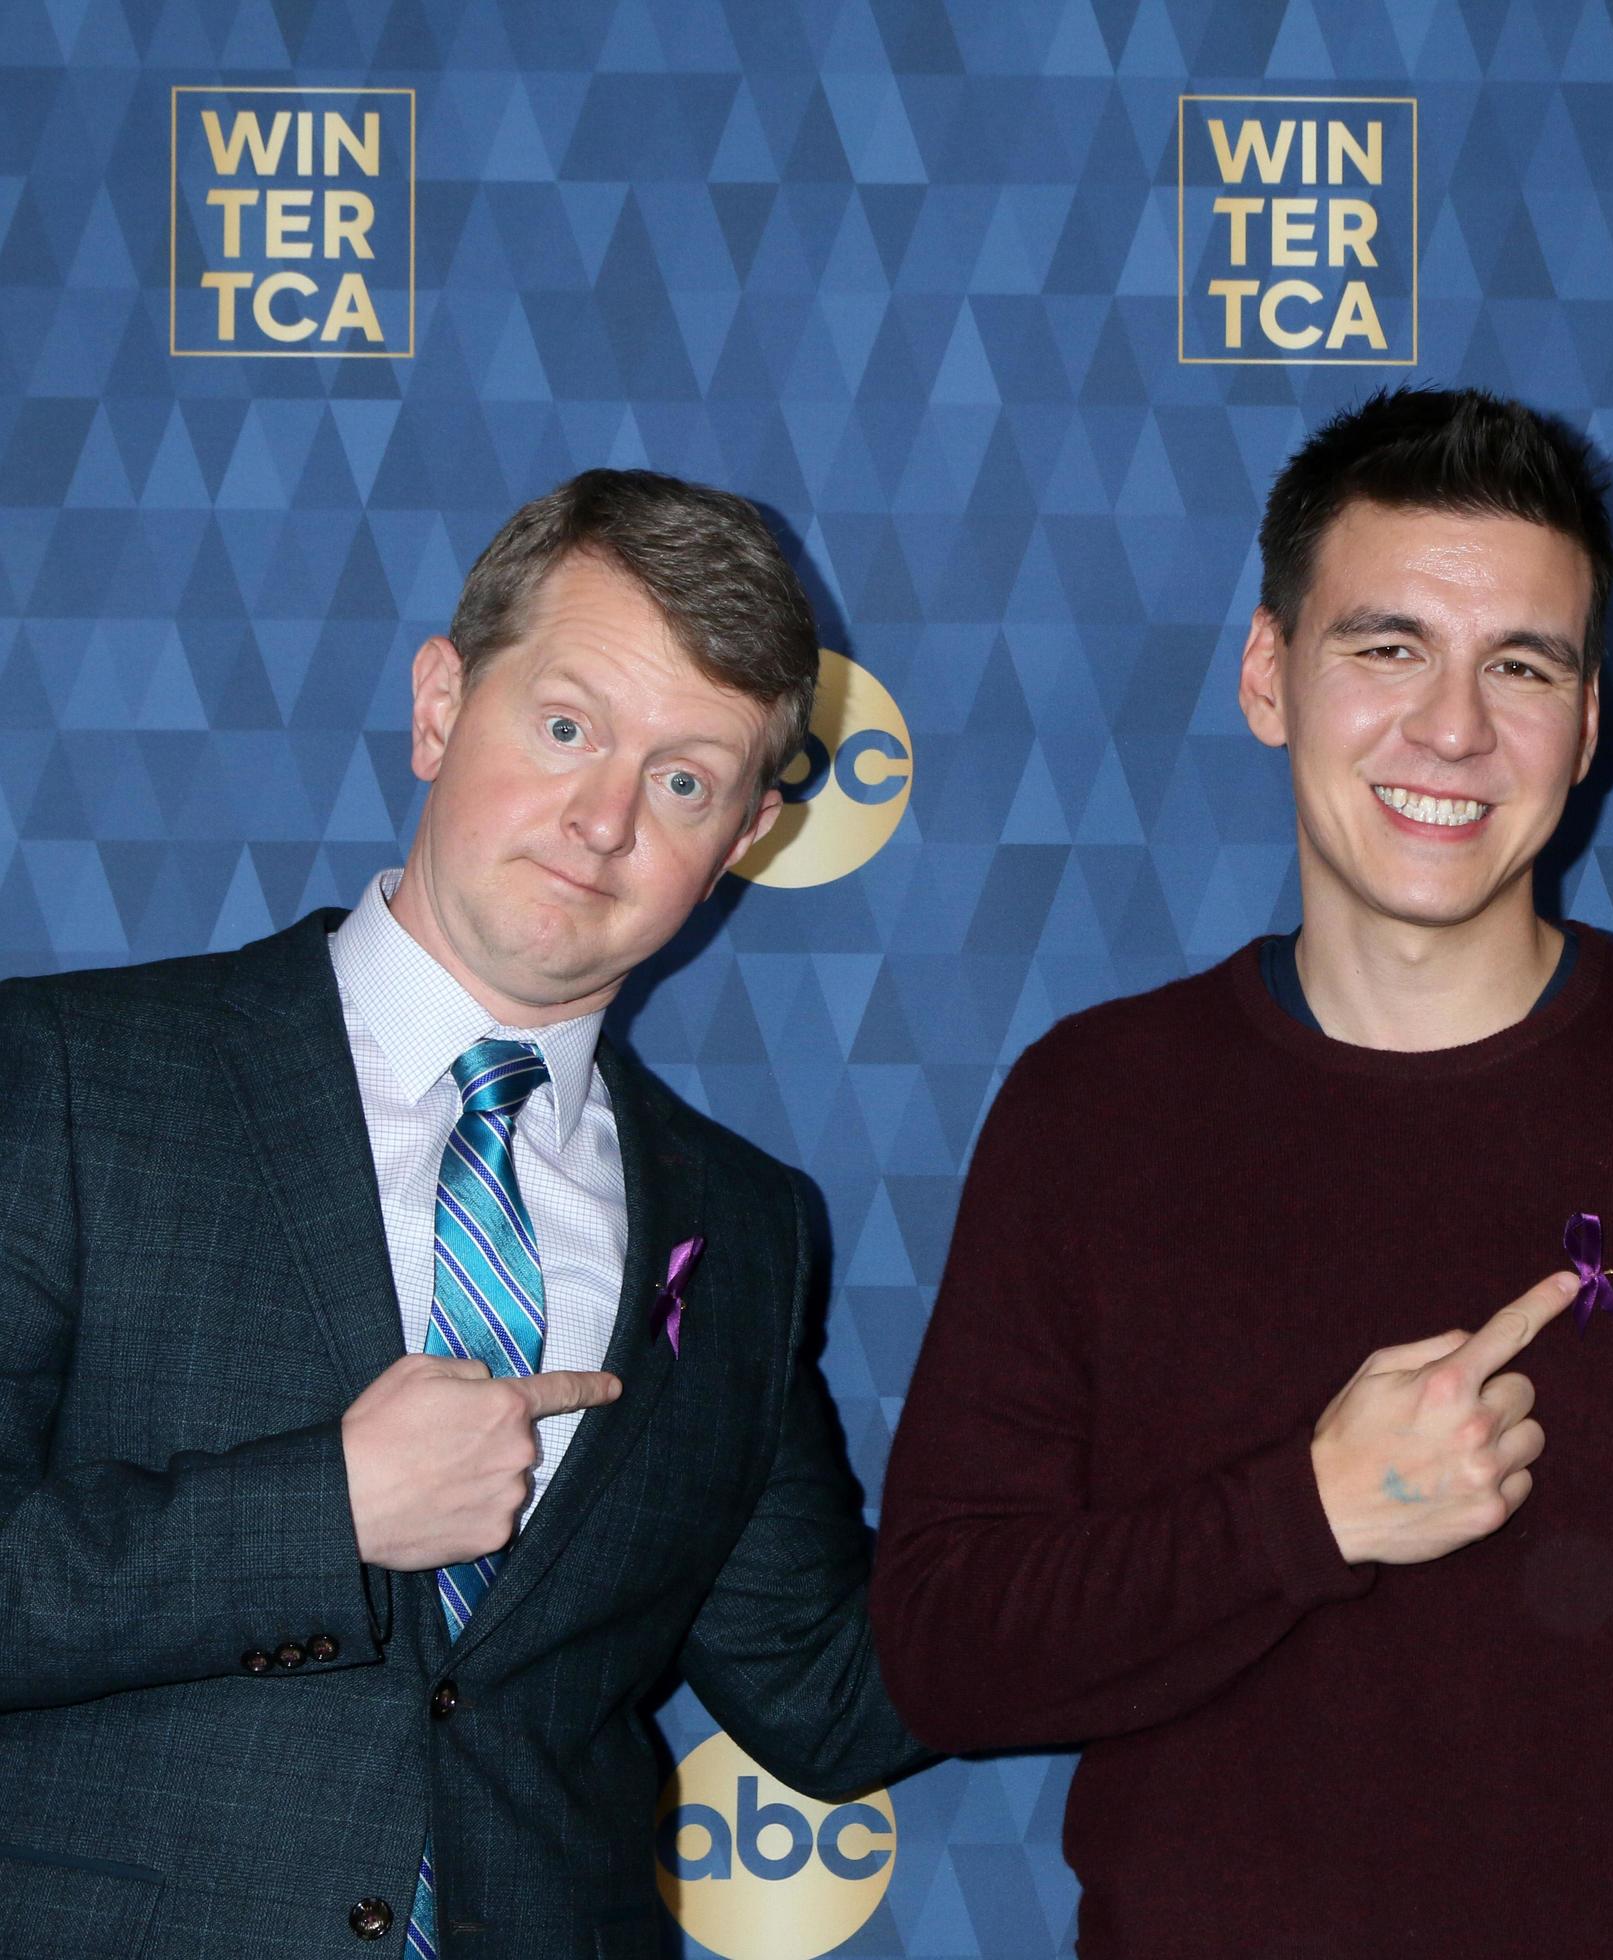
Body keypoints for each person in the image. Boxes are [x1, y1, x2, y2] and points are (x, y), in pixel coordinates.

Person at [874, 386, 1613, 1956]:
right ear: (1268, 676)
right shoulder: (1093, 1111)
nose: (1453, 728)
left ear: (1587, 725)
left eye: (1522, 666)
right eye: (1388, 648)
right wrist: (1306, 1513)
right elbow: (946, 1650)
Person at [0, 470, 926, 1956]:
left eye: (685, 781)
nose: (603, 818)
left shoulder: (749, 1228)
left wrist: (1271, 1500)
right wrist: (327, 1511)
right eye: (566, 729)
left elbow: (830, 1690)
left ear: (746, 837)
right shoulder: (60, 1078)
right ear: (441, 706)